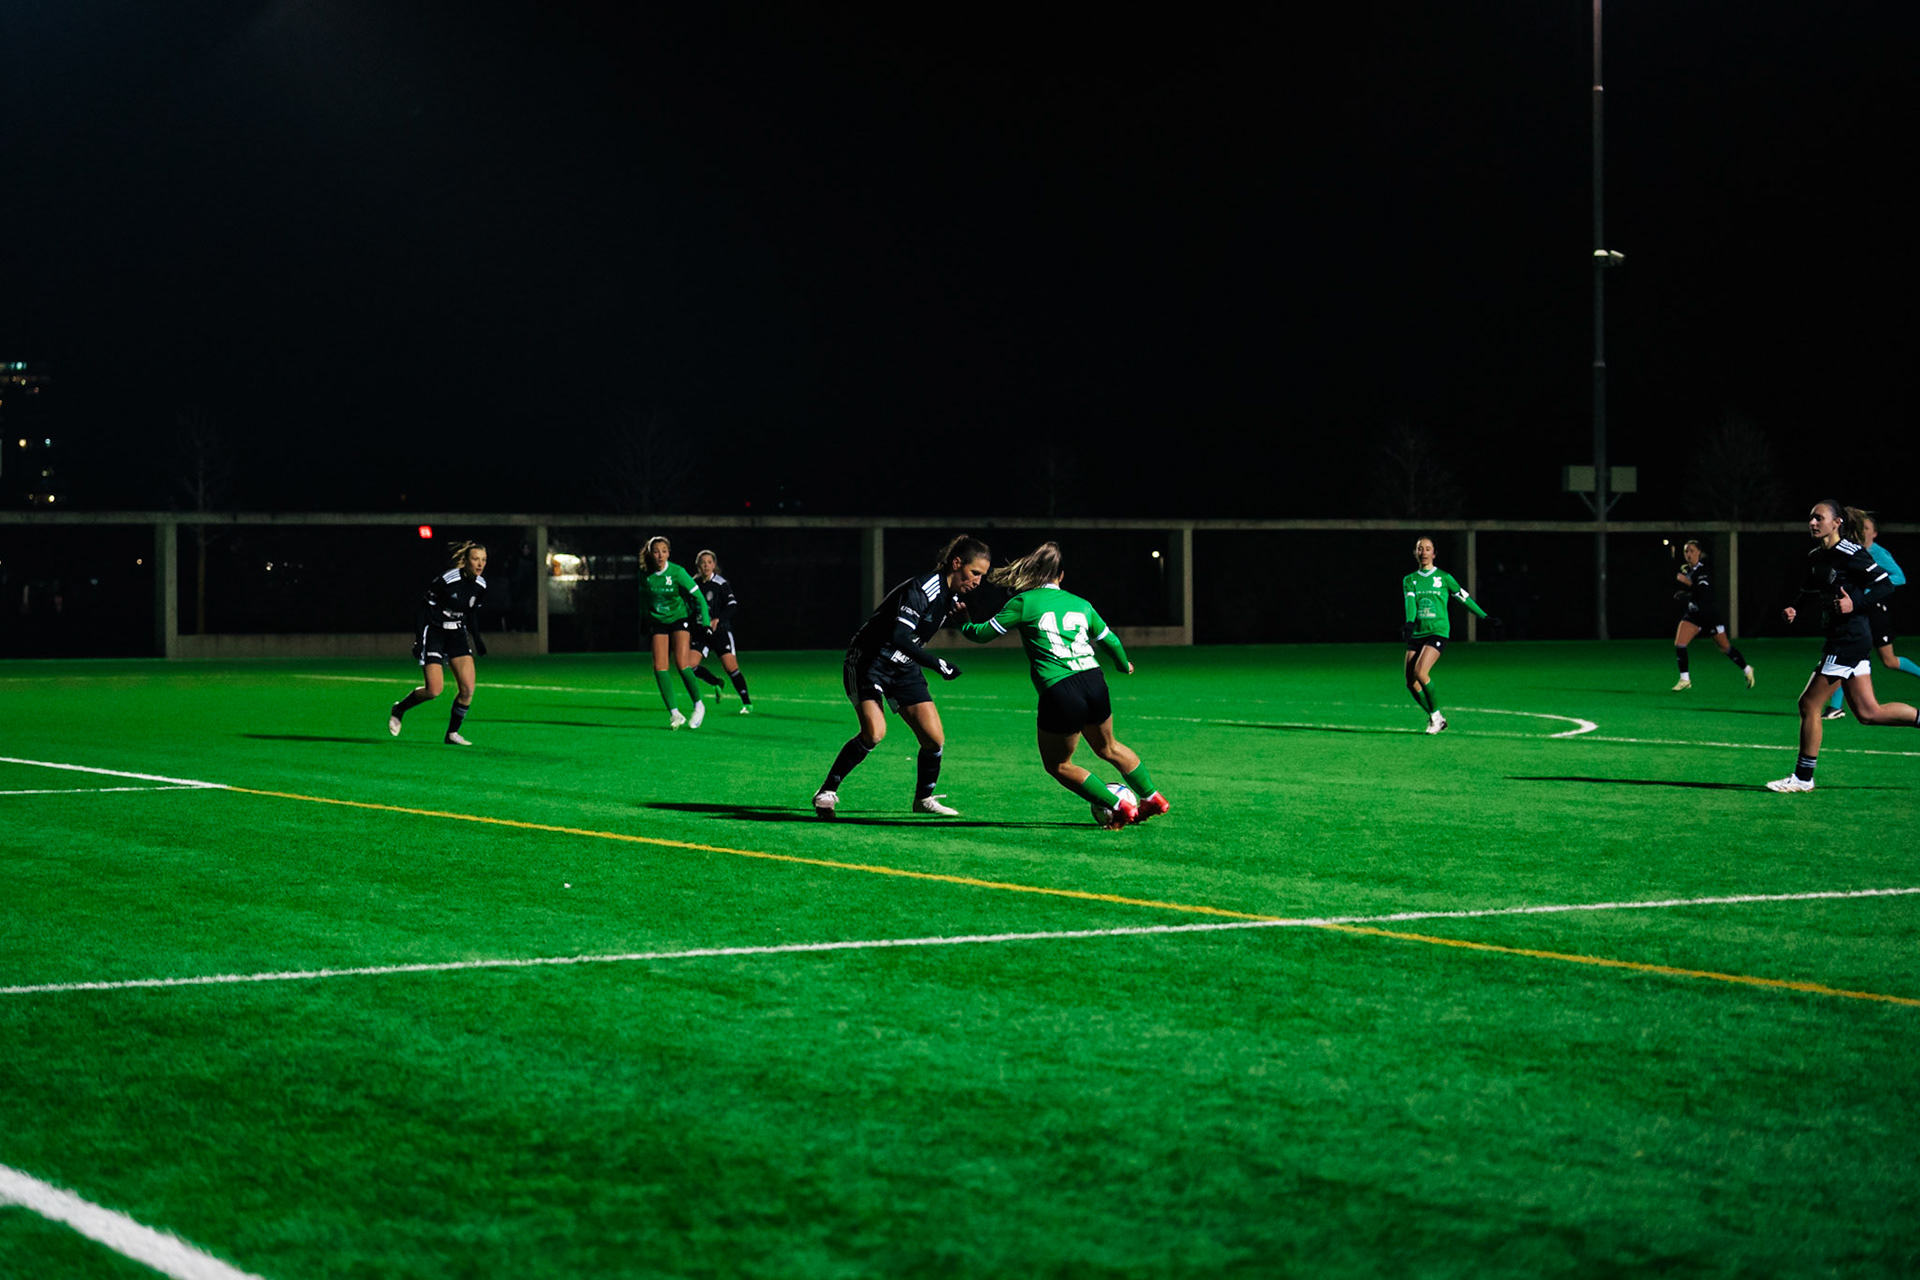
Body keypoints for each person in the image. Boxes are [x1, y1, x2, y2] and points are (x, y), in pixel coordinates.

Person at [959, 541, 1168, 827]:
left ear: (1031, 574)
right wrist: (1123, 664)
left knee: (1058, 765)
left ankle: (1119, 806)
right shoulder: (1080, 604)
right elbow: (1110, 640)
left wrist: (964, 621)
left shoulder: (1023, 602)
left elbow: (981, 634)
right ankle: (1152, 796)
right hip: (1094, 680)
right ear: (1061, 576)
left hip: (1061, 689)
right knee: (1109, 747)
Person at [813, 535, 991, 819]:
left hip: (904, 666)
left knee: (934, 739)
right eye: (975, 573)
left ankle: (923, 798)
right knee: (874, 732)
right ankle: (826, 792)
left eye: (982, 576)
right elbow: (899, 635)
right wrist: (937, 663)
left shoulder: (953, 597)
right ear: (957, 563)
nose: (978, 581)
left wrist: (964, 618)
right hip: (870, 660)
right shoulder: (923, 588)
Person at [1766, 501, 1919, 792]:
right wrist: (1795, 607)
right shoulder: (1816, 555)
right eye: (1810, 517)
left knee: (1809, 704)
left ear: (1836, 523)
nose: (1812, 522)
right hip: (1842, 637)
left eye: (1819, 518)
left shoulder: (1852, 553)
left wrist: (1855, 603)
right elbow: (1810, 588)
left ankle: (1802, 778)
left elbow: (1886, 584)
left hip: (1849, 638)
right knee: (1868, 713)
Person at [388, 540, 489, 746]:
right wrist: (419, 640)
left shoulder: (480, 585)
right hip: (435, 633)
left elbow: (472, 613)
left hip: (457, 636)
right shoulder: (448, 579)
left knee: (468, 689)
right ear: (465, 561)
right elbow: (422, 610)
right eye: (475, 559)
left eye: (483, 560)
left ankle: (452, 734)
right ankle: (399, 709)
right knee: (433, 690)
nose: (480, 564)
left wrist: (478, 639)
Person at [1823, 512, 1918, 719]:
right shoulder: (1849, 552)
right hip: (1858, 612)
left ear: (1874, 533)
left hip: (1874, 610)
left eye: (1866, 528)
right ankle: (1835, 707)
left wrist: (1866, 593)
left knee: (1889, 661)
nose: (1862, 531)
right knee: (1847, 656)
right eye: (1860, 528)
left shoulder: (1878, 553)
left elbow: (1899, 577)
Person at [1402, 537, 1497, 734]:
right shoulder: (1410, 580)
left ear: (1434, 554)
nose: (1424, 552)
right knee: (1411, 683)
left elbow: (1465, 598)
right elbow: (1410, 604)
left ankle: (1436, 718)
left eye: (1428, 549)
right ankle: (1437, 717)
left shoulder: (1445, 578)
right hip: (1418, 632)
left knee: (1421, 672)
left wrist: (1484, 617)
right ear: (1415, 553)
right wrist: (1410, 624)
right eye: (1420, 549)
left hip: (1438, 631)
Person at [640, 535, 713, 729]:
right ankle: (675, 714)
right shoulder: (645, 575)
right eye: (656, 551)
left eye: (664, 551)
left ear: (669, 553)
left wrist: (706, 624)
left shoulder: (678, 572)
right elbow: (644, 600)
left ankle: (699, 705)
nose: (660, 555)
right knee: (659, 667)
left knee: (682, 664)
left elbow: (700, 598)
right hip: (658, 622)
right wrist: (644, 619)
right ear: (650, 554)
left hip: (679, 619)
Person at [1670, 539, 1755, 691]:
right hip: (1693, 615)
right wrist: (1682, 591)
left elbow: (1702, 592)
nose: (1688, 554)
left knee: (1725, 648)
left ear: (1699, 553)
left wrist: (1686, 588)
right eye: (1686, 551)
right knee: (1680, 644)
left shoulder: (1703, 570)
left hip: (1709, 616)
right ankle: (1685, 679)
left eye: (1692, 551)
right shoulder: (1686, 570)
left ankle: (1747, 669)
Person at [686, 549, 753, 714]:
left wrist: (718, 619)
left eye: (709, 562)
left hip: (720, 631)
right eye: (703, 563)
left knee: (731, 667)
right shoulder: (693, 584)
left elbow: (732, 605)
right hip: (702, 632)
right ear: (698, 566)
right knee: (689, 665)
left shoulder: (720, 583)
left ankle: (747, 703)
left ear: (714, 565)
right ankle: (716, 682)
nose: (706, 565)